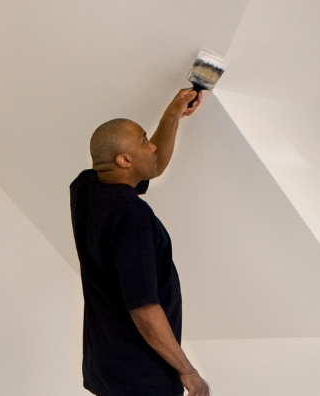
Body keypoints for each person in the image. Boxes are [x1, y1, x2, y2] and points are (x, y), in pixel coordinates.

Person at [69, 88, 207, 396]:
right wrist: (188, 371)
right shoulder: (131, 216)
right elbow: (144, 309)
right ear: (124, 160)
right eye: (144, 140)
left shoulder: (86, 187)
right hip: (140, 377)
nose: (152, 145)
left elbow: (153, 166)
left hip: (104, 366)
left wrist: (171, 116)